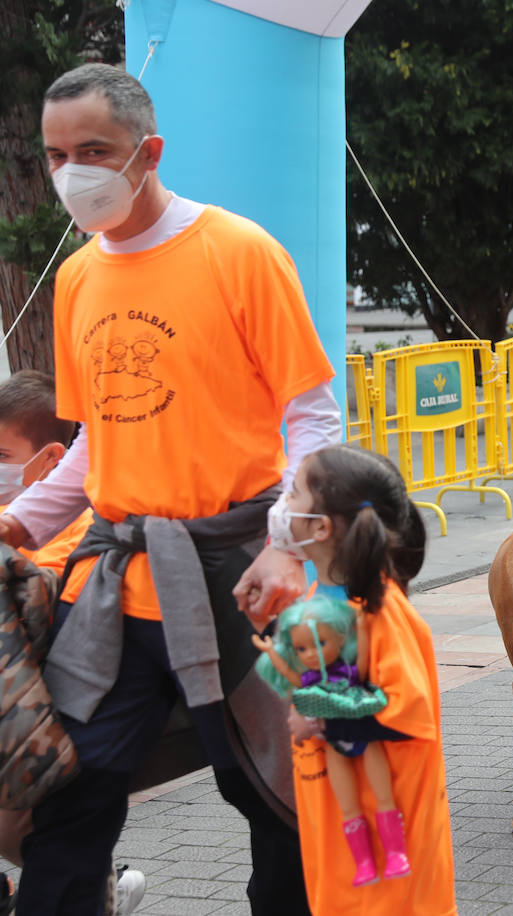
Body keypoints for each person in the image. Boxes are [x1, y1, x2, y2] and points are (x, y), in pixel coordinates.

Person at [0, 63, 342, 913]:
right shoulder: (77, 278)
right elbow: (92, 449)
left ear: (146, 152)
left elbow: (314, 421)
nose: (71, 171)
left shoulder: (240, 252)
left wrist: (286, 549)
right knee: (69, 792)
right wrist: (14, 523)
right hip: (117, 585)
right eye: (54, 154)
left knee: (276, 799)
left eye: (93, 150)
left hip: (242, 579)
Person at [266, 445, 455, 913]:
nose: (281, 505)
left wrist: (319, 717)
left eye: (293, 493)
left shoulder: (379, 612)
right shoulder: (321, 599)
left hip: (394, 878)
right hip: (341, 844)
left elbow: (404, 708)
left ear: (321, 527)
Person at [0, 371, 143, 914]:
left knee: (42, 833)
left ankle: (97, 886)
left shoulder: (76, 526)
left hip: (39, 721)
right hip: (28, 723)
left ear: (54, 459)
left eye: (0, 453)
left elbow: (37, 596)